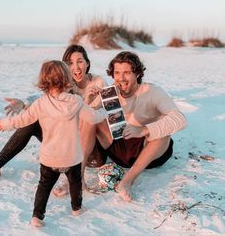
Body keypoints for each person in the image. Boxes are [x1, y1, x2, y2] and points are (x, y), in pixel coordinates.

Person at [0, 60, 107, 227]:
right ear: (68, 81)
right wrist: (104, 112)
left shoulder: (41, 103)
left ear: (44, 83)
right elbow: (92, 118)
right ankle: (76, 208)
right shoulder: (75, 101)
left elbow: (22, 120)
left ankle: (37, 216)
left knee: (44, 186)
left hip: (49, 158)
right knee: (75, 182)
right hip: (72, 157)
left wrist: (5, 124)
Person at [0, 45, 107, 193]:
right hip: (66, 146)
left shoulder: (98, 84)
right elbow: (43, 99)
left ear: (87, 63)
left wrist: (88, 98)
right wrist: (24, 102)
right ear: (64, 67)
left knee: (87, 121)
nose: (76, 67)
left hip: (91, 153)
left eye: (80, 61)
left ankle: (76, 179)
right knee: (31, 121)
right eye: (70, 63)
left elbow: (93, 118)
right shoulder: (65, 83)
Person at [80, 51, 187, 201]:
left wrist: (143, 130)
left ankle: (126, 182)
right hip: (118, 146)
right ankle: (77, 177)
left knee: (163, 133)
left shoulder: (152, 91)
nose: (121, 78)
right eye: (117, 72)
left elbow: (180, 119)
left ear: (137, 73)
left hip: (147, 150)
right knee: (92, 117)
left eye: (127, 72)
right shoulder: (110, 92)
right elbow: (82, 122)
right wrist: (87, 101)